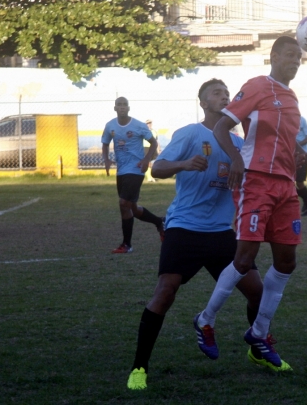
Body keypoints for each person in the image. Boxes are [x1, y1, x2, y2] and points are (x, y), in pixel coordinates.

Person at [193, 36, 307, 372]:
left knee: (286, 262)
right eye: (290, 54)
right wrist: (235, 159)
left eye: (299, 57)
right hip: (256, 181)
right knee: (245, 259)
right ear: (274, 56)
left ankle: (259, 333)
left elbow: (291, 146)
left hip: (286, 186)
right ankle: (205, 320)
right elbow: (222, 127)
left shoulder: (291, 98)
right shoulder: (259, 85)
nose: (295, 60)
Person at [126, 79, 265, 391]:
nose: (224, 97)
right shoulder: (191, 133)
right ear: (202, 102)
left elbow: (252, 180)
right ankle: (139, 367)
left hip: (221, 233)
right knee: (165, 292)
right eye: (217, 93)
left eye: (227, 94)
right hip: (184, 228)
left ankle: (258, 350)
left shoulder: (238, 144)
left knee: (258, 291)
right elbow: (157, 169)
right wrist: (185, 164)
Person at [102, 97, 165, 253]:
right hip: (122, 170)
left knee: (123, 203)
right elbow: (105, 142)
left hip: (136, 169)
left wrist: (146, 159)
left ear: (128, 108)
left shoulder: (139, 126)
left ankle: (127, 245)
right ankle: (160, 222)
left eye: (124, 105)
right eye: (119, 105)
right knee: (132, 207)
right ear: (115, 108)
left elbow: (154, 143)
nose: (122, 107)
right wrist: (106, 159)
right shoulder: (110, 125)